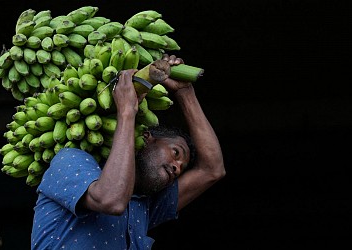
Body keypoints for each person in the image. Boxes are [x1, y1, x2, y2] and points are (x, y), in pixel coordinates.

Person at [30, 54, 225, 249]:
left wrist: (185, 92)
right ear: (147, 138)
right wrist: (127, 111)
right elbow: (111, 201)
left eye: (180, 169)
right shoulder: (70, 159)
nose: (177, 168)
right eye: (176, 153)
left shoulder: (145, 205)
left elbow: (212, 170)